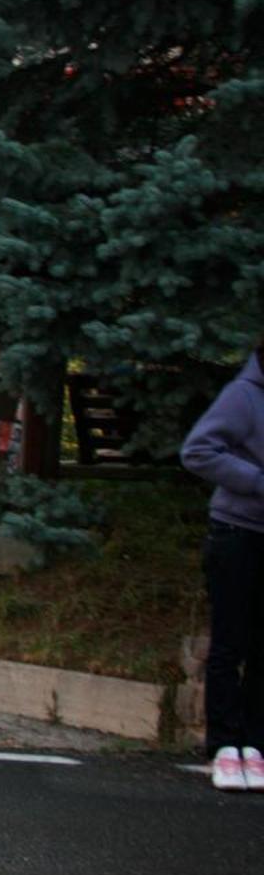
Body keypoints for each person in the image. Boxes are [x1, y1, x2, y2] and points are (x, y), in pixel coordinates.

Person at [181, 336, 264, 791]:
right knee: (231, 642)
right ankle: (224, 746)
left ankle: (256, 744)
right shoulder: (243, 395)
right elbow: (197, 451)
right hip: (236, 533)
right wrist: (257, 481)